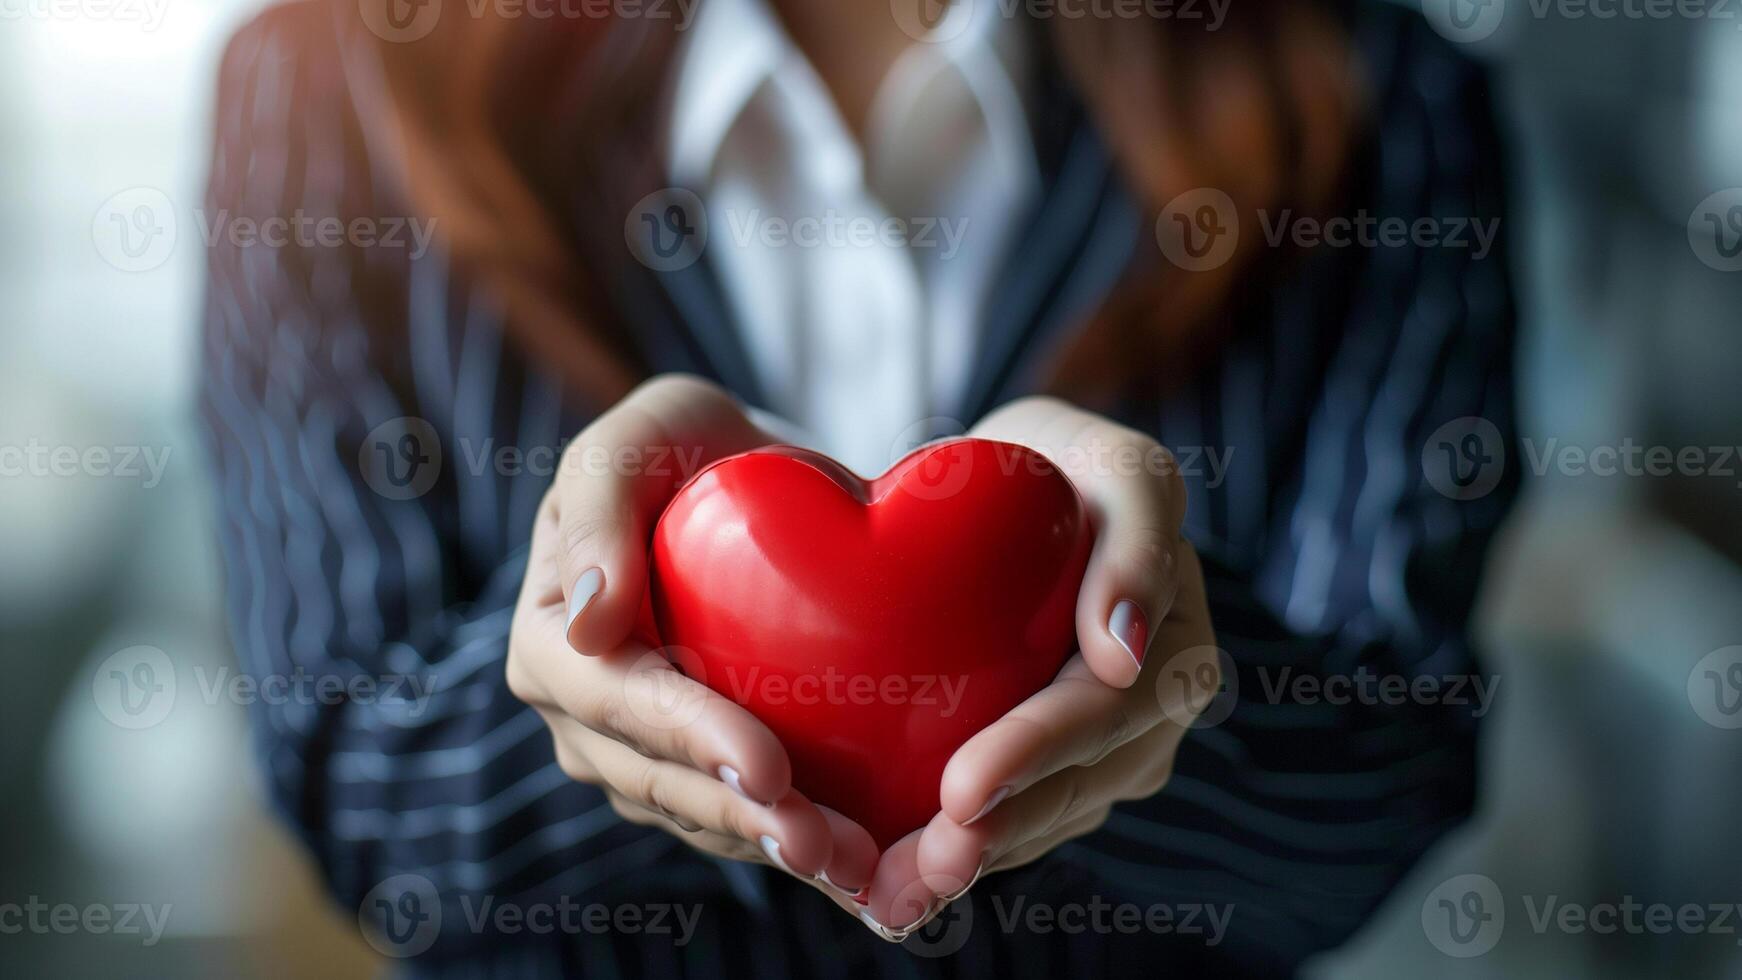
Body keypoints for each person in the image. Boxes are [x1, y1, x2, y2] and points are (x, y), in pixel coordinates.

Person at [200, 0, 1519, 973]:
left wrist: (1158, 657)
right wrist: (604, 644)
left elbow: (1391, 773)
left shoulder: (1372, 90)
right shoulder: (327, 94)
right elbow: (354, 790)